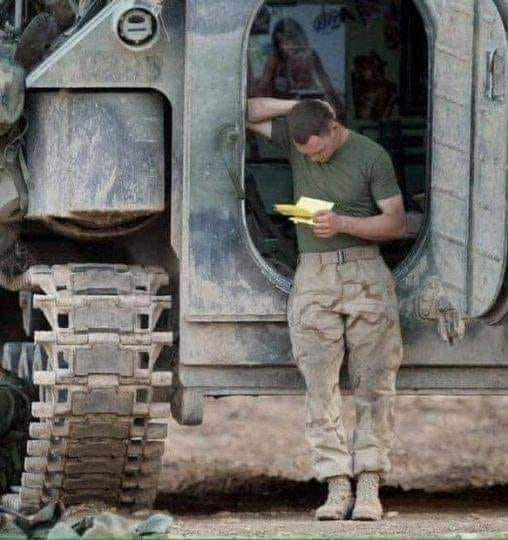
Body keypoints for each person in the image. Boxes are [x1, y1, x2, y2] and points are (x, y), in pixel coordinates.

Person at [247, 98, 406, 521]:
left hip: (365, 270)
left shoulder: (372, 156)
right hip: (313, 276)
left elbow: (396, 224)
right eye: (306, 154)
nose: (314, 158)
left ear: (334, 127)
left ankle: (369, 483)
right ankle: (336, 485)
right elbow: (244, 110)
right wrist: (299, 103)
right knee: (320, 386)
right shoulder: (299, 137)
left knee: (374, 384)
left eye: (318, 149)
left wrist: (343, 224)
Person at [251, 18, 345, 121]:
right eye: (280, 43)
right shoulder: (275, 61)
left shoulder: (309, 56)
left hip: (309, 114)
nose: (284, 47)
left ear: (298, 39)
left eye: (288, 41)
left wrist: (337, 109)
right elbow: (261, 93)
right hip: (282, 116)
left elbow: (326, 85)